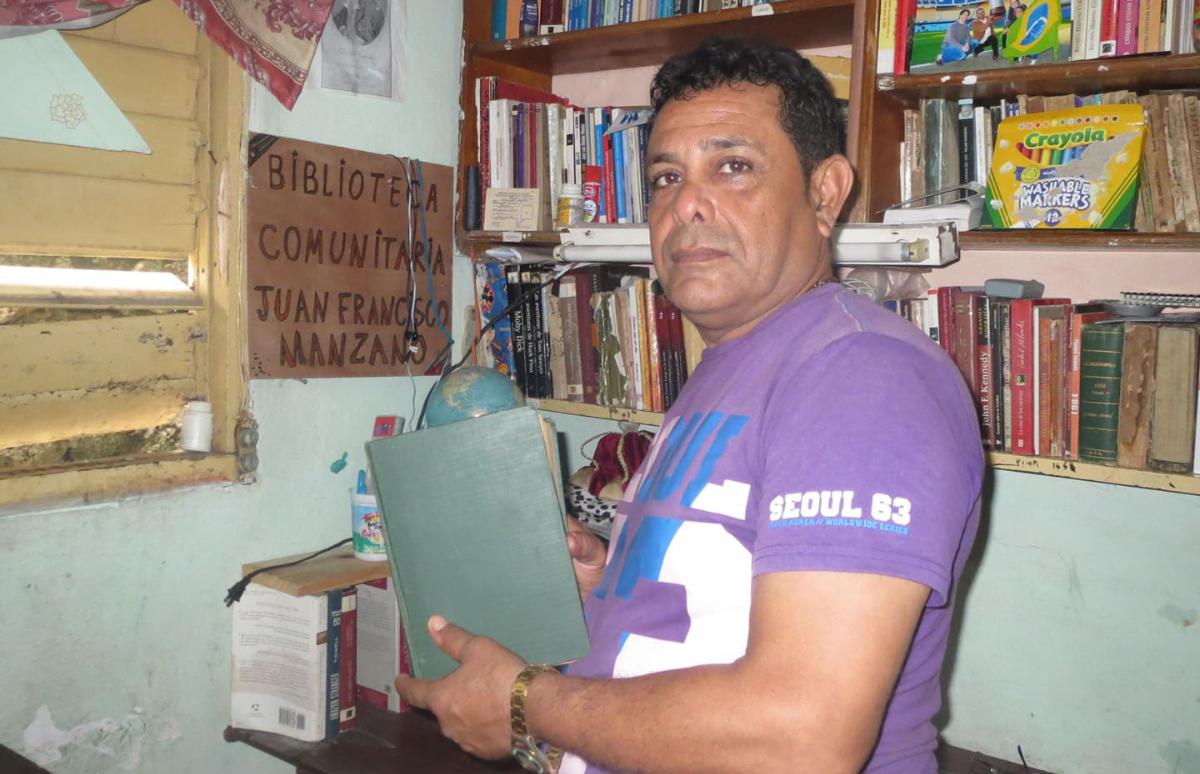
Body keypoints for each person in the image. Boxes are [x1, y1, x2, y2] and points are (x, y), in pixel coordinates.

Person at [396, 37, 984, 774]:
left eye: (733, 166)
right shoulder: (733, 364)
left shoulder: (862, 374)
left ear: (825, 193)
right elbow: (721, 607)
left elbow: (800, 736)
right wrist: (615, 584)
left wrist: (523, 703)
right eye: (666, 177)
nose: (686, 205)